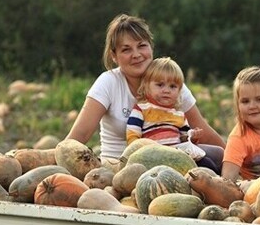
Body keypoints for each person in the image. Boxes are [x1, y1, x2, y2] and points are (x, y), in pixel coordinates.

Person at [66, 14, 225, 164]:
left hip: (169, 164)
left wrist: (236, 162)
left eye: (141, 46)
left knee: (217, 155)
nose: (136, 54)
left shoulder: (169, 81)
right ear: (114, 56)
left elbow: (203, 130)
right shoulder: (108, 82)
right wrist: (53, 165)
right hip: (119, 169)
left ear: (151, 47)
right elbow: (80, 135)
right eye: (126, 49)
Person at [127, 57, 221, 172]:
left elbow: (184, 138)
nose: (166, 90)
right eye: (160, 85)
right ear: (146, 86)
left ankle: (218, 183)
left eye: (172, 86)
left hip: (178, 155)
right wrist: (140, 154)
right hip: (153, 157)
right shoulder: (142, 109)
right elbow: (132, 137)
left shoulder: (179, 114)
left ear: (179, 90)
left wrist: (192, 137)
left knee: (208, 163)